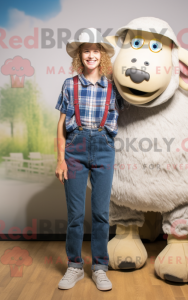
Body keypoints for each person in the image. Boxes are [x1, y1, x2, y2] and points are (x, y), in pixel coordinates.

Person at [54, 28, 123, 291]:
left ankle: (100, 268)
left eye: (96, 50)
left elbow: (139, 97)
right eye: (86, 50)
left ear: (102, 56)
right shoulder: (69, 84)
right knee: (74, 215)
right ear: (79, 56)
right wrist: (61, 159)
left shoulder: (113, 86)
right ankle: (74, 267)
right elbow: (61, 126)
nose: (91, 55)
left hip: (104, 148)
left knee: (101, 214)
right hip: (75, 148)